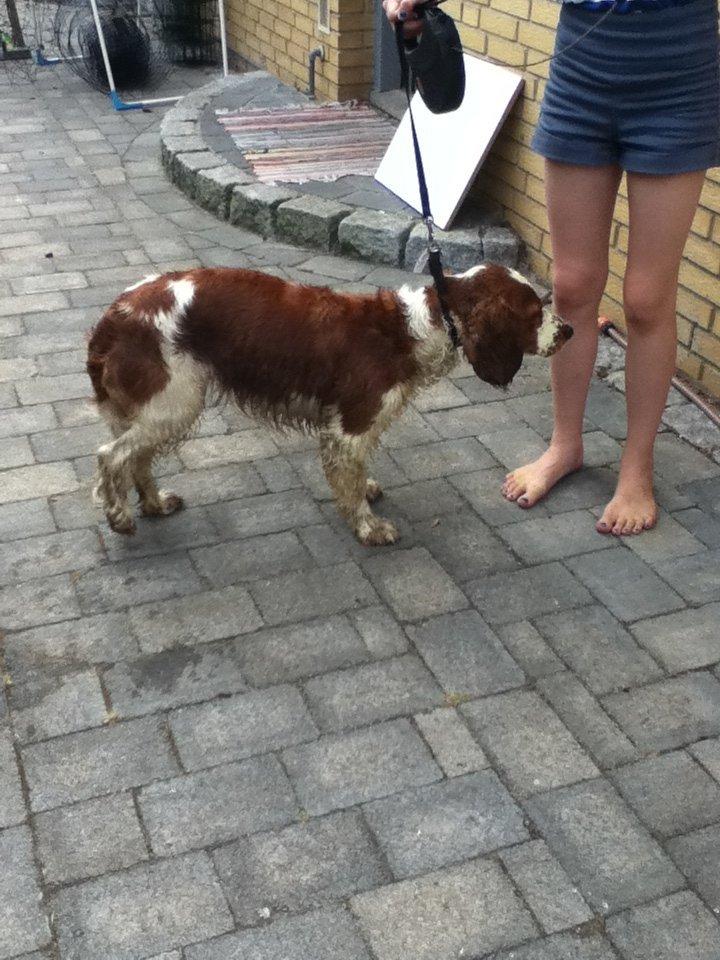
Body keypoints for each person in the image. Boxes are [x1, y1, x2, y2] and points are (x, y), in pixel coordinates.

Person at [384, 0, 720, 536]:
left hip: (677, 64)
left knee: (647, 298)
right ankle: (566, 445)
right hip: (583, 61)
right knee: (572, 284)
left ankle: (637, 469)